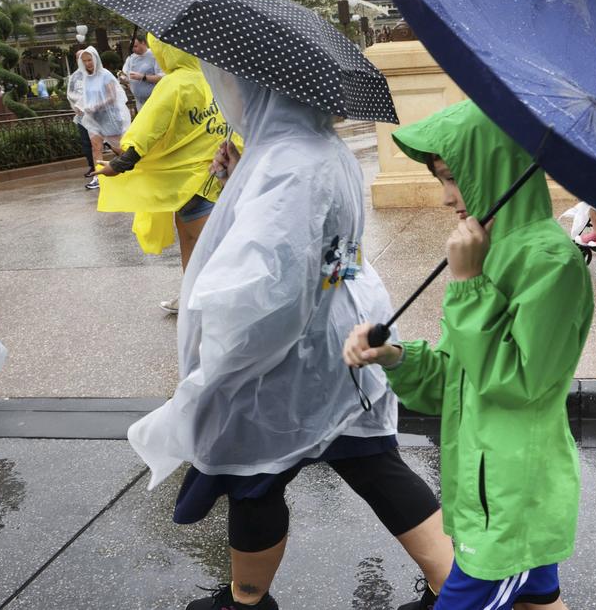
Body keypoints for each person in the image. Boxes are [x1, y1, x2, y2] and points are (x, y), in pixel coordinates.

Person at [127, 64, 453, 610]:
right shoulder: (312, 147)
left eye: (231, 82)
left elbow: (266, 282)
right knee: (372, 461)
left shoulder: (287, 162)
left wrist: (221, 364)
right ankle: (456, 588)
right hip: (338, 336)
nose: (226, 91)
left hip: (291, 355)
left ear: (262, 87)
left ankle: (247, 600)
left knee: (253, 472)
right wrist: (241, 180)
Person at [344, 99, 595, 610]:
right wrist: (393, 355)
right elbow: (453, 381)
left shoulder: (550, 262)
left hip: (510, 496)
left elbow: (517, 383)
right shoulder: (491, 249)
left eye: (451, 176)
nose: (445, 197)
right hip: (489, 485)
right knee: (537, 602)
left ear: (494, 169)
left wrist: (468, 284)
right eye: (440, 178)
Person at [92, 34, 225, 313]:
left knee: (198, 244)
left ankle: (203, 302)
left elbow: (147, 131)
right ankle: (192, 295)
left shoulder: (174, 84)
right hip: (218, 176)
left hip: (186, 182)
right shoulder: (211, 79)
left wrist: (118, 165)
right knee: (203, 241)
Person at [76, 46, 131, 189]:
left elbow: (113, 96)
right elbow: (86, 97)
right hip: (94, 119)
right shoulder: (86, 78)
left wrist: (97, 105)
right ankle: (98, 176)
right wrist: (81, 106)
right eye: (85, 61)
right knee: (96, 146)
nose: (88, 63)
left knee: (118, 148)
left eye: (90, 60)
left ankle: (132, 167)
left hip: (110, 118)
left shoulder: (105, 75)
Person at [66, 50, 98, 182]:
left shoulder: (97, 73)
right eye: (80, 58)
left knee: (101, 142)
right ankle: (93, 166)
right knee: (87, 143)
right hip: (81, 116)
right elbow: (70, 94)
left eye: (86, 58)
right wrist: (78, 106)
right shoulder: (74, 77)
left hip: (97, 114)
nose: (84, 61)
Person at [119, 34, 163, 113]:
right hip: (139, 102)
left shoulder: (154, 56)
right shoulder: (131, 58)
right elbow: (124, 74)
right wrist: (123, 79)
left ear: (143, 43)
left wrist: (143, 77)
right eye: (132, 47)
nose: (133, 49)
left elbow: (161, 78)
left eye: (135, 46)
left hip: (155, 100)